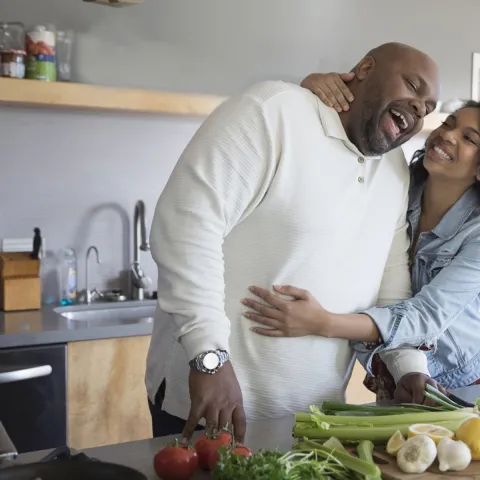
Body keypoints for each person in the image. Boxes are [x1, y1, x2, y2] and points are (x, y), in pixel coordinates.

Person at [146, 42, 439, 442]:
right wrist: (208, 358)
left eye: (428, 106)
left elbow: (389, 283)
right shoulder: (272, 112)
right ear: (366, 68)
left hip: (316, 418)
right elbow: (186, 226)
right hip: (213, 400)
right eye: (412, 85)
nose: (419, 108)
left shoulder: (394, 170)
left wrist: (406, 365)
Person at [244, 73, 480, 405]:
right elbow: (357, 130)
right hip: (396, 371)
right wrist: (318, 93)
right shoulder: (397, 183)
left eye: (469, 138)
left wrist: (323, 323)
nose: (447, 135)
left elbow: (424, 316)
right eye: (449, 123)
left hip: (457, 384)